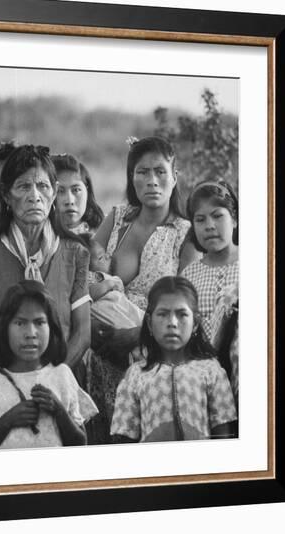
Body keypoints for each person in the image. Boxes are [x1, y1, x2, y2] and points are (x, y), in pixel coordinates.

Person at [86, 136, 199, 443]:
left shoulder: (186, 234)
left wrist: (138, 334)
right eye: (142, 172)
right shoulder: (117, 217)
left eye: (160, 171)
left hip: (153, 347)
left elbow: (187, 305)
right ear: (131, 177)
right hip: (102, 342)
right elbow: (86, 275)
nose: (152, 181)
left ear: (175, 177)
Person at [0, 141, 91, 373]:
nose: (34, 196)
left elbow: (82, 332)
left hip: (60, 381)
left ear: (54, 192)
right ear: (6, 195)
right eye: (23, 187)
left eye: (42, 186)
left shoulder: (75, 252)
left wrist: (53, 379)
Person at [110, 276, 237, 443]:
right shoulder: (136, 375)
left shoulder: (211, 370)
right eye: (162, 314)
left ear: (196, 323)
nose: (172, 323)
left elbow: (223, 432)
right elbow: (123, 436)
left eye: (182, 314)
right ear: (149, 322)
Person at [0, 280, 98, 450]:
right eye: (20, 323)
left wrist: (59, 411)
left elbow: (80, 444)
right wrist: (8, 420)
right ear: (4, 328)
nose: (31, 334)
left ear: (52, 327)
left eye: (39, 322)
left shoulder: (62, 375)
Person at [181, 180, 239, 402]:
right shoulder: (189, 275)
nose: (209, 225)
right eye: (200, 219)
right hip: (203, 369)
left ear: (234, 219)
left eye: (217, 216)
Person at [79, 233, 144, 330]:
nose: (108, 257)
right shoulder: (87, 277)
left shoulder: (105, 277)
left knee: (137, 316)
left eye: (105, 254)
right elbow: (88, 295)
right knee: (127, 325)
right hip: (105, 308)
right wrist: (109, 283)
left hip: (119, 305)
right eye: (101, 257)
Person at [52, 153, 104, 235]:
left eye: (76, 190)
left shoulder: (107, 233)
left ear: (87, 190)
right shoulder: (35, 239)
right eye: (60, 191)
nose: (69, 201)